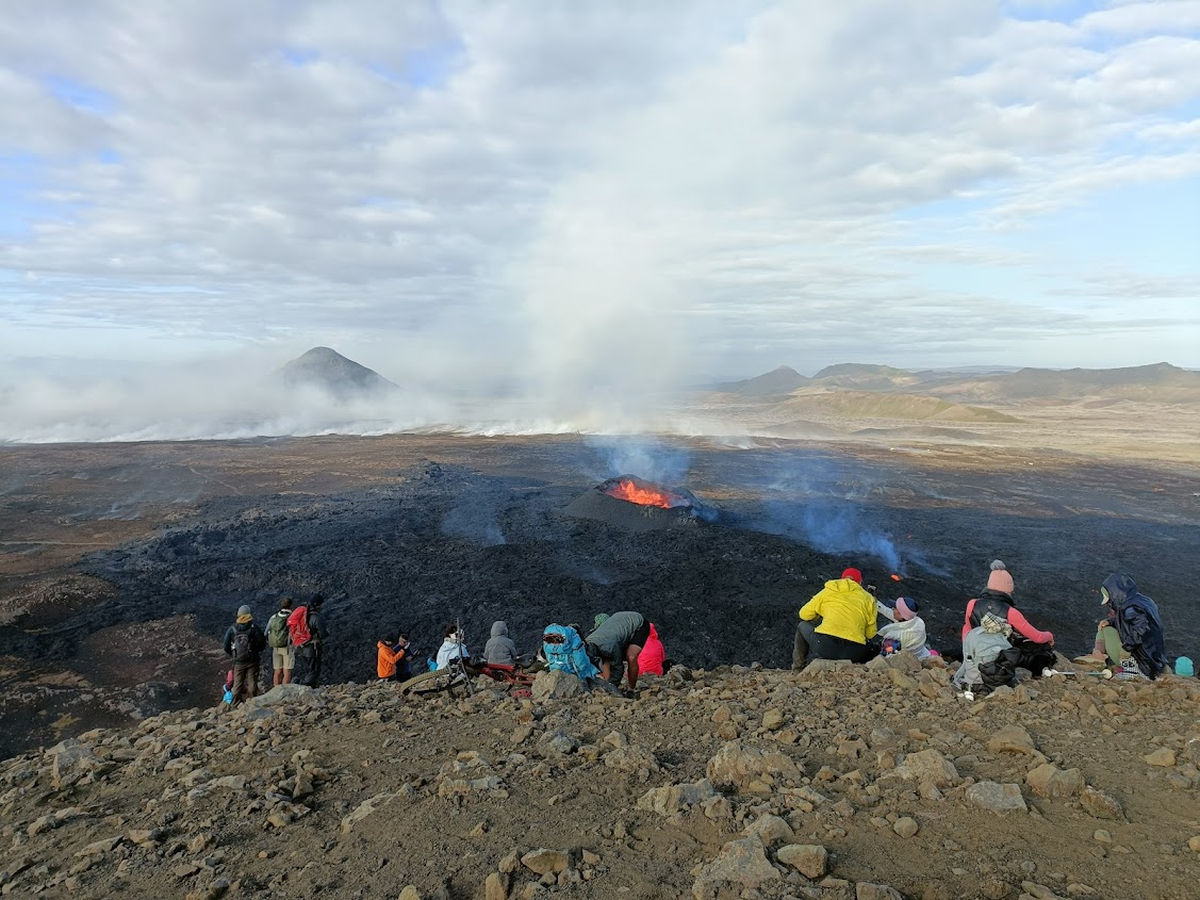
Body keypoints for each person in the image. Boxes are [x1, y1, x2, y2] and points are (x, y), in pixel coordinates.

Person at [961, 561, 1056, 677]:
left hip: (976, 653)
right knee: (1038, 650)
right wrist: (1049, 636)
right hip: (1000, 657)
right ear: (1007, 590)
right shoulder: (1011, 612)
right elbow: (1037, 637)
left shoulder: (972, 604)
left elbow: (968, 630)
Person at [792, 567, 878, 669]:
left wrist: (819, 615)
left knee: (802, 626)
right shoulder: (869, 599)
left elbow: (804, 614)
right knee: (875, 647)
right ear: (860, 582)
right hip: (854, 653)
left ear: (842, 579)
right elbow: (870, 634)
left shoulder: (829, 590)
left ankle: (798, 668)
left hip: (826, 647)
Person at [1096, 573, 1167, 679]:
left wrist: (1126, 649)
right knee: (1107, 625)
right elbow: (1132, 620)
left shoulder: (1131, 607)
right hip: (1154, 659)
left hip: (1142, 663)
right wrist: (1111, 621)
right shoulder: (1143, 601)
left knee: (1106, 630)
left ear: (1114, 593)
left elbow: (1141, 629)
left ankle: (1098, 657)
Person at [584, 610, 650, 693]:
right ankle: (607, 685)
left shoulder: (610, 647)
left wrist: (612, 688)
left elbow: (618, 669)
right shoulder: (588, 643)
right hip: (616, 627)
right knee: (606, 659)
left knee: (631, 656)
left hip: (637, 622)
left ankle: (631, 690)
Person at [222, 604, 267, 706]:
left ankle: (234, 705)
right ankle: (253, 704)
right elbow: (262, 642)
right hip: (253, 661)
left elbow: (225, 645)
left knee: (237, 684)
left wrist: (234, 654)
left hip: (238, 662)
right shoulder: (253, 628)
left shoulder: (232, 629)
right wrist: (255, 651)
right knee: (252, 684)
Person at [289, 595, 325, 687]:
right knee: (314, 669)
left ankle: (300, 682)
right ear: (318, 606)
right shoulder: (316, 618)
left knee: (307, 668)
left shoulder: (302, 616)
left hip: (300, 646)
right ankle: (305, 686)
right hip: (312, 648)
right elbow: (323, 633)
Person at [265, 597, 295, 686]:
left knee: (277, 671)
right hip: (287, 647)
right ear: (291, 606)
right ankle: (284, 692)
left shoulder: (274, 617)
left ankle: (275, 691)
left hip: (276, 647)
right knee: (287, 671)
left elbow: (266, 632)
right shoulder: (292, 617)